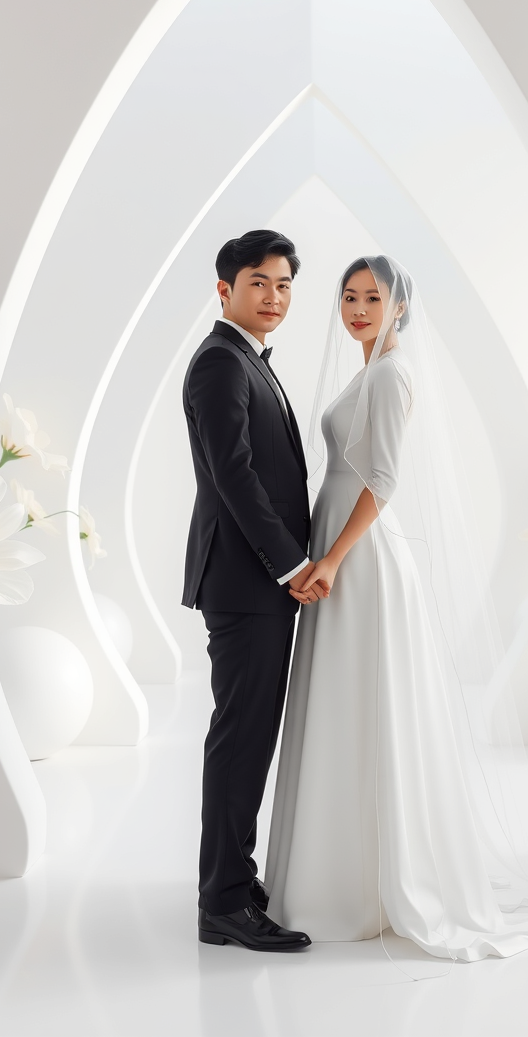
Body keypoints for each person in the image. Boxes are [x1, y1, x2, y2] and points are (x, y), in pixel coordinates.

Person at [265, 255, 528, 961]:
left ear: (401, 307)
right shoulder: (369, 370)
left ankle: (371, 884)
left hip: (361, 558)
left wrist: (334, 559)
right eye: (349, 296)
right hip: (340, 544)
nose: (360, 308)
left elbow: (385, 478)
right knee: (342, 705)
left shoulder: (393, 374)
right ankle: (339, 876)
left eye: (375, 297)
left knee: (364, 705)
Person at [181, 229, 326, 953]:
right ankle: (225, 905)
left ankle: (234, 881)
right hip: (244, 582)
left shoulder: (246, 359)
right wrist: (289, 564)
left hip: (254, 582)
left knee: (250, 738)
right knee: (240, 741)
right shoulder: (218, 361)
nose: (274, 297)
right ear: (225, 289)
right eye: (259, 282)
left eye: (284, 285)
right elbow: (232, 474)